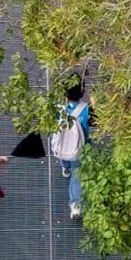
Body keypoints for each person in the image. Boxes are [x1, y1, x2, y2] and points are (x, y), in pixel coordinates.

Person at [50, 78, 91, 220]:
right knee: (77, 174)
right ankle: (75, 203)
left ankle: (65, 168)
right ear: (82, 92)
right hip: (78, 148)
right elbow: (88, 127)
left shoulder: (58, 107)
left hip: (61, 146)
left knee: (64, 157)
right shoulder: (85, 109)